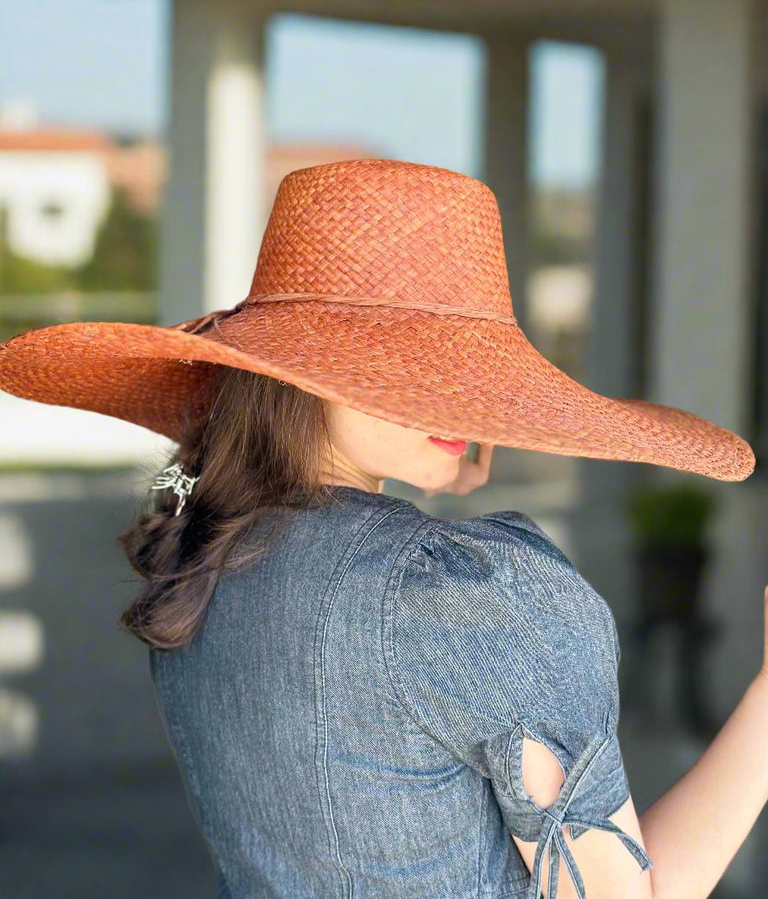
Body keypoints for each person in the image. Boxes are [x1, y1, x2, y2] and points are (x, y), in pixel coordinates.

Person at [0, 157, 763, 899]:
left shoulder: (199, 561)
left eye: (473, 374)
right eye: (411, 371)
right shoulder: (468, 593)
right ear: (302, 375)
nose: (454, 399)